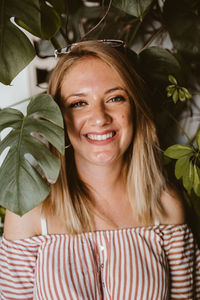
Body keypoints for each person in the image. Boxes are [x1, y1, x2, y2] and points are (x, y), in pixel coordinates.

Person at [0, 40, 199, 299]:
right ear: (57, 116)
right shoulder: (30, 211)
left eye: (115, 98)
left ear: (135, 108)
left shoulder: (165, 204)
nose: (100, 117)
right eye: (78, 103)